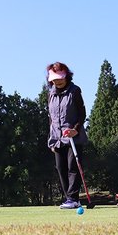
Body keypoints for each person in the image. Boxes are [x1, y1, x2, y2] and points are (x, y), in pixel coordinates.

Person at [46, 62, 88, 209]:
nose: (58, 81)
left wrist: (75, 129)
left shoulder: (75, 91)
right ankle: (68, 198)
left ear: (66, 76)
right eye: (54, 79)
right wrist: (51, 140)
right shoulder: (50, 93)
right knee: (60, 168)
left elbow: (82, 113)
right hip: (56, 138)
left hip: (73, 137)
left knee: (73, 167)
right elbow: (51, 117)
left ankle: (73, 198)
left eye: (60, 77)